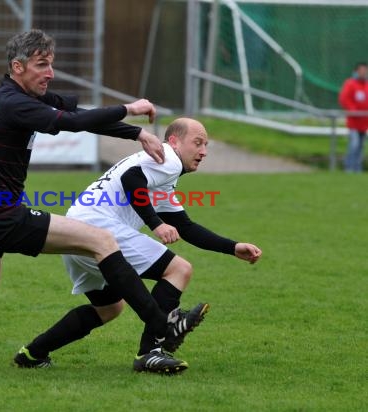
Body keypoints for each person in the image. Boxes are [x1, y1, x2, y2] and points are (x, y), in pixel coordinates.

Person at [0, 29, 198, 369]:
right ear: (17, 67)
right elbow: (73, 124)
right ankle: (160, 325)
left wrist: (136, 133)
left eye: (51, 64)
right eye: (42, 65)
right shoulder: (14, 103)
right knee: (102, 240)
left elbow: (81, 115)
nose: (50, 73)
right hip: (0, 216)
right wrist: (130, 110)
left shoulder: (20, 96)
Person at [13, 118, 262, 374]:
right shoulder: (167, 158)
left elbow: (185, 227)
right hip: (99, 227)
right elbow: (132, 179)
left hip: (75, 229)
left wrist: (232, 247)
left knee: (109, 308)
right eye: (197, 143)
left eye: (206, 145)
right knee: (179, 269)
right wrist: (155, 224)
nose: (203, 151)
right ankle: (150, 352)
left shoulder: (159, 173)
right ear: (174, 141)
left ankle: (33, 353)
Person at [339, 62, 368, 173]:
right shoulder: (350, 84)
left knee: (361, 147)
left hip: (364, 123)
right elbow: (344, 99)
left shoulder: (366, 85)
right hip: (354, 122)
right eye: (362, 71)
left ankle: (357, 168)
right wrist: (353, 110)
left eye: (365, 71)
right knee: (354, 145)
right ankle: (349, 168)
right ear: (356, 71)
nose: (364, 73)